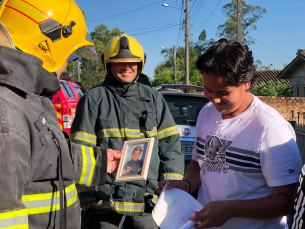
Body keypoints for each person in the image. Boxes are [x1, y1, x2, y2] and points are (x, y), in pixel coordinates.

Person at [0, 0, 123, 228]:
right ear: (47, 43)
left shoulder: (30, 99)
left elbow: (48, 160)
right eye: (68, 53)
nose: (66, 65)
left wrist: (102, 163)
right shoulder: (6, 113)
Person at [158, 38, 302, 229]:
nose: (215, 100)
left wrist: (230, 210)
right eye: (208, 90)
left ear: (246, 84)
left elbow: (289, 200)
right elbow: (199, 164)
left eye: (224, 93)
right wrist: (185, 185)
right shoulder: (206, 112)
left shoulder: (270, 127)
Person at [70, 34, 184, 229]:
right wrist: (84, 192)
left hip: (146, 204)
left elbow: (170, 143)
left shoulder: (153, 99)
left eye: (132, 62)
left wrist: (172, 184)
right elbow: (80, 148)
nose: (126, 67)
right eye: (119, 63)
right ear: (108, 65)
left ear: (139, 65)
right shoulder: (93, 99)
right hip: (104, 204)